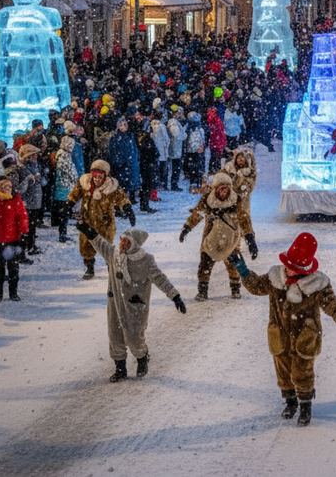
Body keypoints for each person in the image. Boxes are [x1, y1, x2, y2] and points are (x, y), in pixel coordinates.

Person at [228, 233, 336, 426]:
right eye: (287, 264)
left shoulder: (317, 284)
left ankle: (305, 405)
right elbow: (256, 287)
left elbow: (331, 303)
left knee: (302, 371)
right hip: (279, 335)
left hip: (305, 336)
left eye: (293, 267)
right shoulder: (275, 278)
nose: (288, 270)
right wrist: (243, 270)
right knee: (283, 370)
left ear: (304, 269)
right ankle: (290, 401)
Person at [76, 222, 186, 382]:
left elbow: (160, 279)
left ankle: (142, 356)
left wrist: (175, 296)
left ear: (134, 245)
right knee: (115, 336)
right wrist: (88, 230)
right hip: (115, 303)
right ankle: (120, 369)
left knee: (134, 337)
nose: (123, 244)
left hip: (136, 305)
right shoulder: (113, 254)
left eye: (127, 242)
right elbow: (100, 243)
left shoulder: (146, 260)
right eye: (122, 240)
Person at [179, 172, 255, 301]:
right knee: (205, 264)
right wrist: (187, 228)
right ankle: (202, 290)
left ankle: (235, 288)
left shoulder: (236, 200)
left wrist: (250, 238)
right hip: (211, 237)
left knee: (233, 264)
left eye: (226, 188)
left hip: (231, 238)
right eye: (221, 188)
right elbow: (197, 214)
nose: (223, 192)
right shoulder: (207, 200)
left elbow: (244, 219)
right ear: (215, 189)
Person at [67, 159, 135, 280]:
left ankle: (111, 266)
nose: (97, 180)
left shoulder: (111, 186)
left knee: (106, 245)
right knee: (86, 244)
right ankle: (89, 267)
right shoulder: (85, 183)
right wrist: (68, 205)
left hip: (105, 222)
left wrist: (128, 208)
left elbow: (121, 197)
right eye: (95, 177)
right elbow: (75, 194)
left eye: (100, 177)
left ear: (105, 176)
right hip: (87, 220)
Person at [0, 176, 28, 303]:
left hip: (13, 240)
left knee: (13, 268)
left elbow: (22, 218)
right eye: (5, 187)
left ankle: (13, 293)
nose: (8, 189)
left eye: (9, 187)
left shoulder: (16, 201)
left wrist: (24, 233)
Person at [52, 135, 79, 243]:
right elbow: (70, 171)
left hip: (64, 188)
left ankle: (63, 233)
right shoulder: (64, 155)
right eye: (70, 144)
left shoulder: (63, 154)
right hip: (64, 188)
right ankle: (62, 235)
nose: (72, 146)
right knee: (65, 213)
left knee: (65, 212)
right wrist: (76, 179)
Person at [183, 111, 206, 192]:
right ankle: (194, 183)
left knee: (197, 166)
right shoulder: (188, 128)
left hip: (196, 150)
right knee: (194, 166)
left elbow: (202, 139)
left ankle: (198, 182)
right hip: (192, 150)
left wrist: (202, 146)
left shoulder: (198, 129)